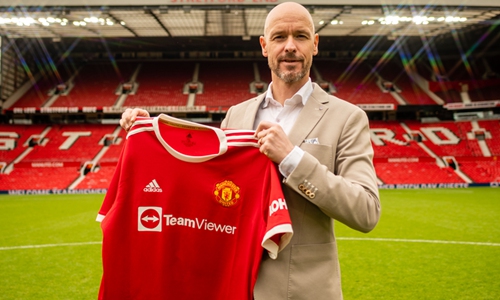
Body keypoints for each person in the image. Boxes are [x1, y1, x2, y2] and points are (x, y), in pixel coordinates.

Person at [119, 2, 381, 299]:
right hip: (233, 287)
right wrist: (150, 134)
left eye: (301, 36)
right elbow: (206, 185)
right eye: (280, 37)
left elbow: (366, 211)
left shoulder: (347, 117)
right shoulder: (237, 115)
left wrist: (292, 159)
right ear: (264, 46)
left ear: (315, 44)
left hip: (302, 291)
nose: (290, 47)